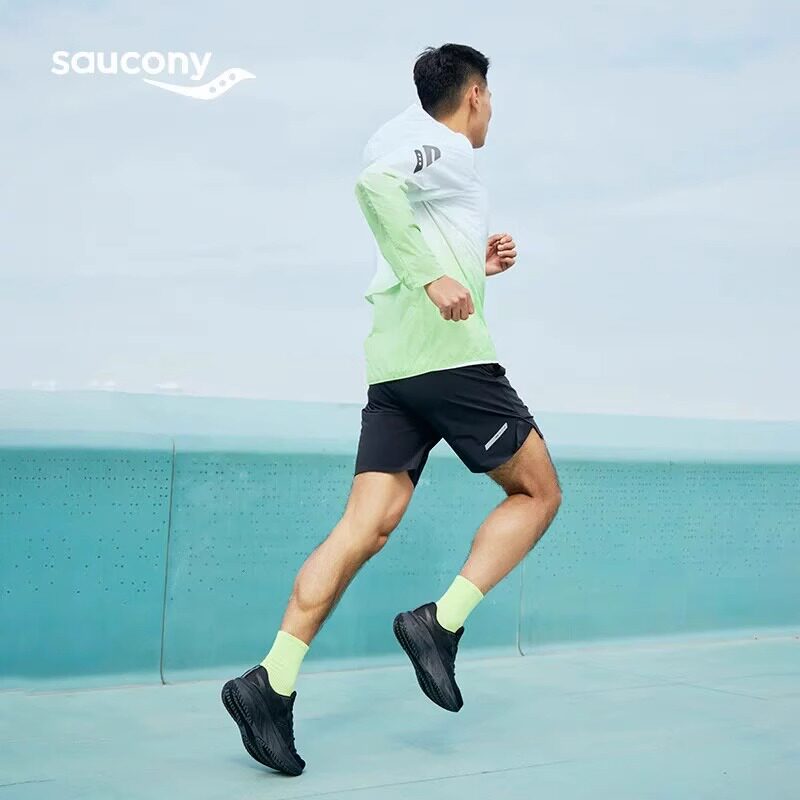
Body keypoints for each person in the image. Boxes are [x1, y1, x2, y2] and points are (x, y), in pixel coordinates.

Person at [221, 43, 562, 777]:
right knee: (537, 493)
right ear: (475, 95)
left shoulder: (400, 136)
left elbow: (400, 203)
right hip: (453, 361)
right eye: (491, 97)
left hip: (394, 368)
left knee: (363, 527)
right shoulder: (448, 146)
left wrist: (473, 266)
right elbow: (375, 189)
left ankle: (271, 682)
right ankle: (441, 624)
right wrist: (437, 276)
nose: (491, 111)